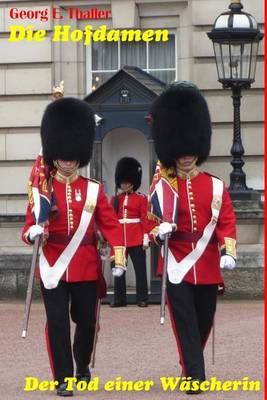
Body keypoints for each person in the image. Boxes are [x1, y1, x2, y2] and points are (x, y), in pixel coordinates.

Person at [22, 97, 126, 397]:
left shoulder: (93, 189)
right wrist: (34, 232)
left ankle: (82, 365)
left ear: (79, 154)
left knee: (86, 322)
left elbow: (110, 224)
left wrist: (119, 255)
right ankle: (63, 378)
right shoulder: (43, 188)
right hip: (53, 263)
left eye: (72, 155)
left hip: (84, 264)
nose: (67, 160)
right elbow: (28, 225)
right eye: (62, 155)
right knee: (56, 323)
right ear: (54, 153)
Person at [148, 81, 237, 394]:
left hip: (208, 263)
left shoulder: (214, 186)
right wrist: (160, 232)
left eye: (190, 153)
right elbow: (151, 223)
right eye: (180, 153)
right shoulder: (162, 185)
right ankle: (196, 376)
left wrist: (228, 250)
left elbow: (226, 220)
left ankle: (189, 364)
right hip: (176, 264)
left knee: (204, 320)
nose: (186, 157)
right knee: (184, 320)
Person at [110, 157, 149, 307]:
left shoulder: (141, 199)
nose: (124, 185)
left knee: (140, 270)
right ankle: (120, 299)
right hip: (119, 239)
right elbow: (110, 220)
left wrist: (146, 237)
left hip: (136, 237)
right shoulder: (115, 199)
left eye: (127, 182)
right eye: (122, 182)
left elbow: (145, 218)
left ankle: (142, 298)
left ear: (133, 182)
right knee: (118, 269)